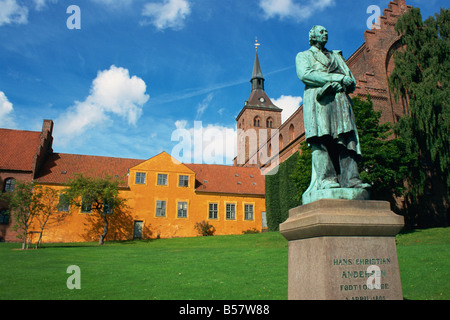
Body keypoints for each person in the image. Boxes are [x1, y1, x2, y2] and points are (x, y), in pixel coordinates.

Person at [296, 25, 370, 191]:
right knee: (321, 139)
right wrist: (336, 78)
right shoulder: (304, 56)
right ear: (313, 36)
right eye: (321, 32)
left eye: (326, 31)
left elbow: (350, 79)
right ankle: (326, 179)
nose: (325, 34)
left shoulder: (336, 56)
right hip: (318, 100)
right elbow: (305, 75)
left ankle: (351, 179)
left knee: (346, 139)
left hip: (340, 100)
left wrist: (346, 82)